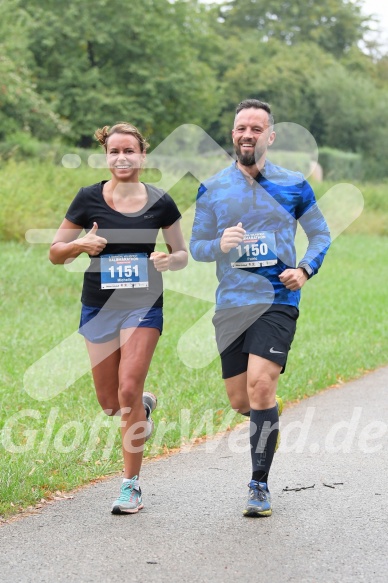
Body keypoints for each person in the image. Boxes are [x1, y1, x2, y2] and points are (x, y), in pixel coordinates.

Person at [190, 99, 330, 517]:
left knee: (260, 387)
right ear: (232, 135)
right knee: (241, 400)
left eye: (256, 128)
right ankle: (267, 415)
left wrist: (305, 269)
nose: (247, 134)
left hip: (277, 300)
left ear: (270, 136)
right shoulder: (212, 188)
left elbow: (320, 234)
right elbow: (196, 247)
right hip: (231, 304)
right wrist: (219, 245)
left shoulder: (293, 184)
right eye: (240, 128)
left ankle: (258, 485)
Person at [50, 122, 188, 514]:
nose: (122, 157)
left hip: (143, 305)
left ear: (142, 155)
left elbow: (181, 253)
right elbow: (55, 251)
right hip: (98, 307)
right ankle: (141, 406)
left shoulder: (161, 201)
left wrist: (167, 259)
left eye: (129, 150)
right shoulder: (87, 199)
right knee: (111, 403)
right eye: (114, 151)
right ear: (106, 155)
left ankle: (131, 486)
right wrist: (79, 244)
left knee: (127, 389)